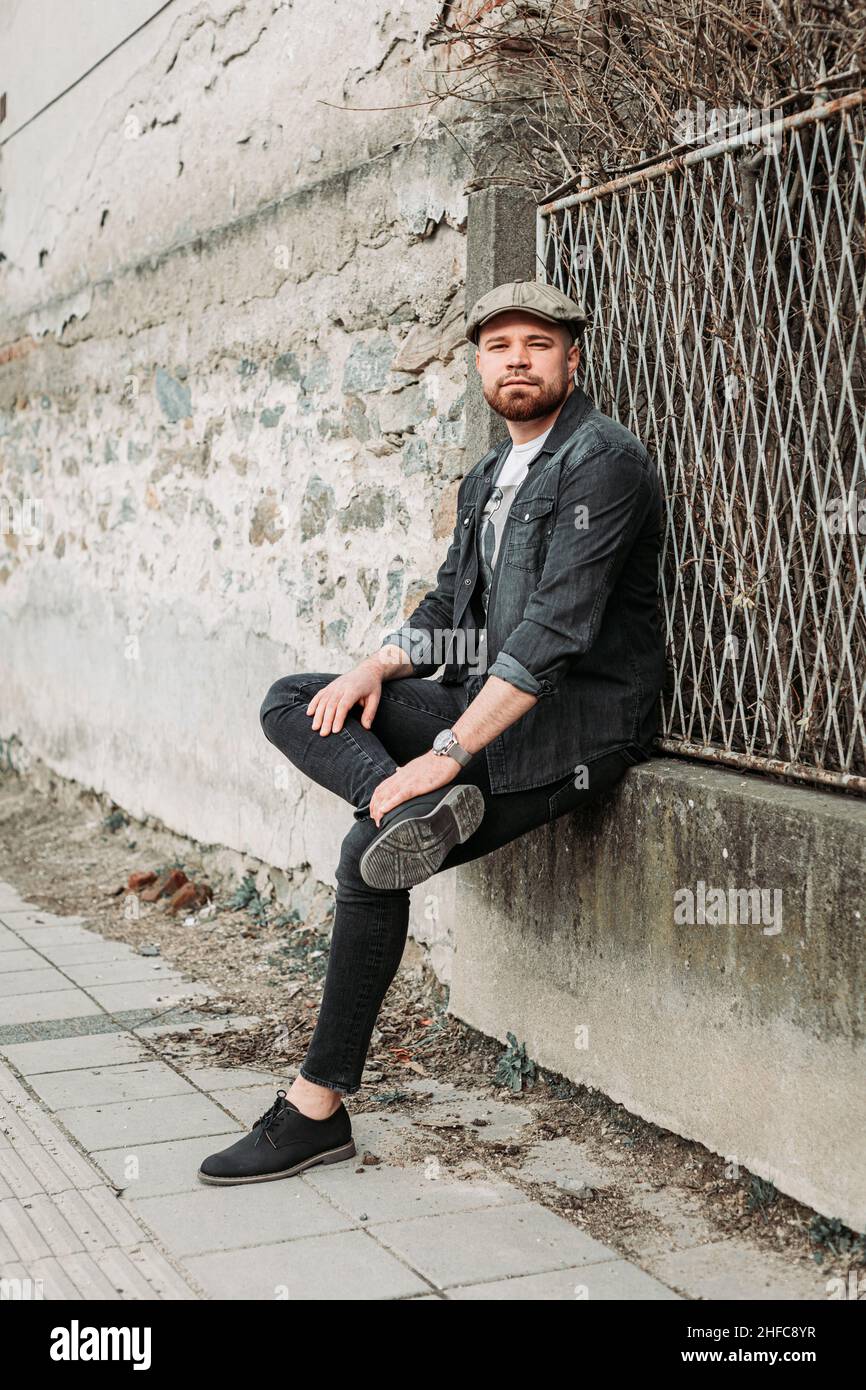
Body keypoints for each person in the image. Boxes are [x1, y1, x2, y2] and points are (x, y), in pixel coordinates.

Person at [197, 279, 666, 1185]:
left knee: (368, 858)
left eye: (538, 342)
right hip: (475, 707)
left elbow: (553, 635)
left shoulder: (605, 462)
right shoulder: (489, 474)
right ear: (478, 367)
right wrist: (376, 667)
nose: (518, 359)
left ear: (574, 358)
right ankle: (395, 797)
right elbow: (452, 606)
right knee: (294, 697)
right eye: (499, 346)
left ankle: (315, 1109)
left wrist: (448, 753)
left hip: (571, 734)